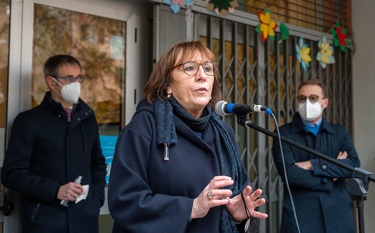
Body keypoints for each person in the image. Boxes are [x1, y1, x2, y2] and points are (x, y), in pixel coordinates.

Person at [108, 40, 268, 233]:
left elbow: (237, 195)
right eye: (189, 68)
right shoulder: (143, 128)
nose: (202, 76)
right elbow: (125, 201)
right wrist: (191, 208)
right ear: (167, 85)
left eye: (208, 69)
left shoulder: (224, 133)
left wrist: (238, 215)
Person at [1, 55, 107, 232]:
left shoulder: (88, 118)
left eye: (79, 78)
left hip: (84, 222)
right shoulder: (29, 122)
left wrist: (95, 200)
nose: (76, 84)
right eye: (69, 78)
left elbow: (97, 164)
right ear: (51, 82)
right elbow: (12, 174)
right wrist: (55, 190)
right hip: (45, 223)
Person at [272, 78, 360, 233]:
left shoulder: (339, 133)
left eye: (313, 98)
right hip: (301, 217)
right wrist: (332, 176)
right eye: (302, 98)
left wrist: (312, 164)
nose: (307, 103)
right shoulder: (283, 134)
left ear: (325, 102)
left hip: (338, 216)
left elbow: (353, 165)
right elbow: (290, 173)